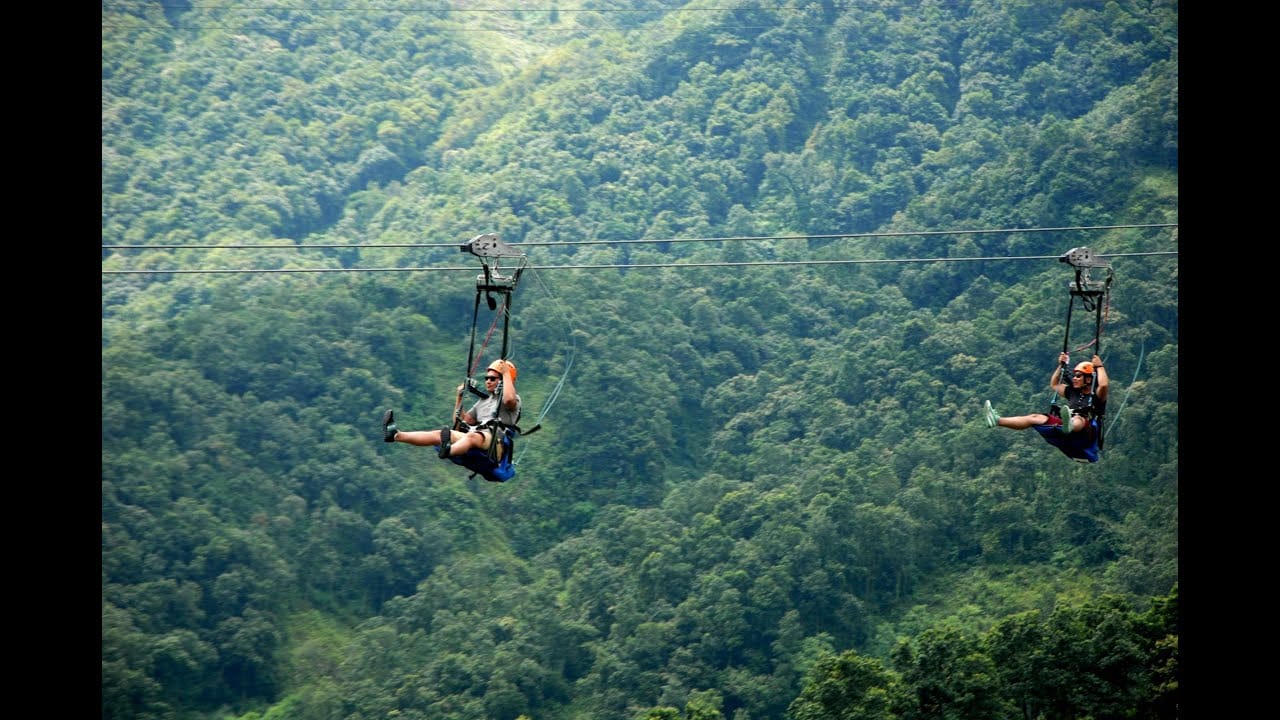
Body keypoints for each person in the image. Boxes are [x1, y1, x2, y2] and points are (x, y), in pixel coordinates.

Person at [382, 359, 522, 461]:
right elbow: (459, 423)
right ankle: (396, 435)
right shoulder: (482, 402)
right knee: (441, 434)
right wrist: (459, 397)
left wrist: (506, 375)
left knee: (472, 437)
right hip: (476, 436)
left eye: (493, 378)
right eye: (486, 378)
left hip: (496, 443)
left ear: (504, 380)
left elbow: (509, 399)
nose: (488, 381)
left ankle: (449, 450)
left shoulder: (512, 399)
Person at [984, 353, 1109, 434]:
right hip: (1066, 425)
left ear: (1088, 379)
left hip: (1086, 432)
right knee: (1035, 417)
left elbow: (1103, 385)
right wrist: (1061, 366)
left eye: (1078, 376)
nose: (1074, 378)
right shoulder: (1072, 392)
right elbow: (1054, 384)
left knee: (1078, 418)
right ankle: (997, 420)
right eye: (1074, 376)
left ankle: (1070, 424)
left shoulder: (1097, 395)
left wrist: (1100, 367)